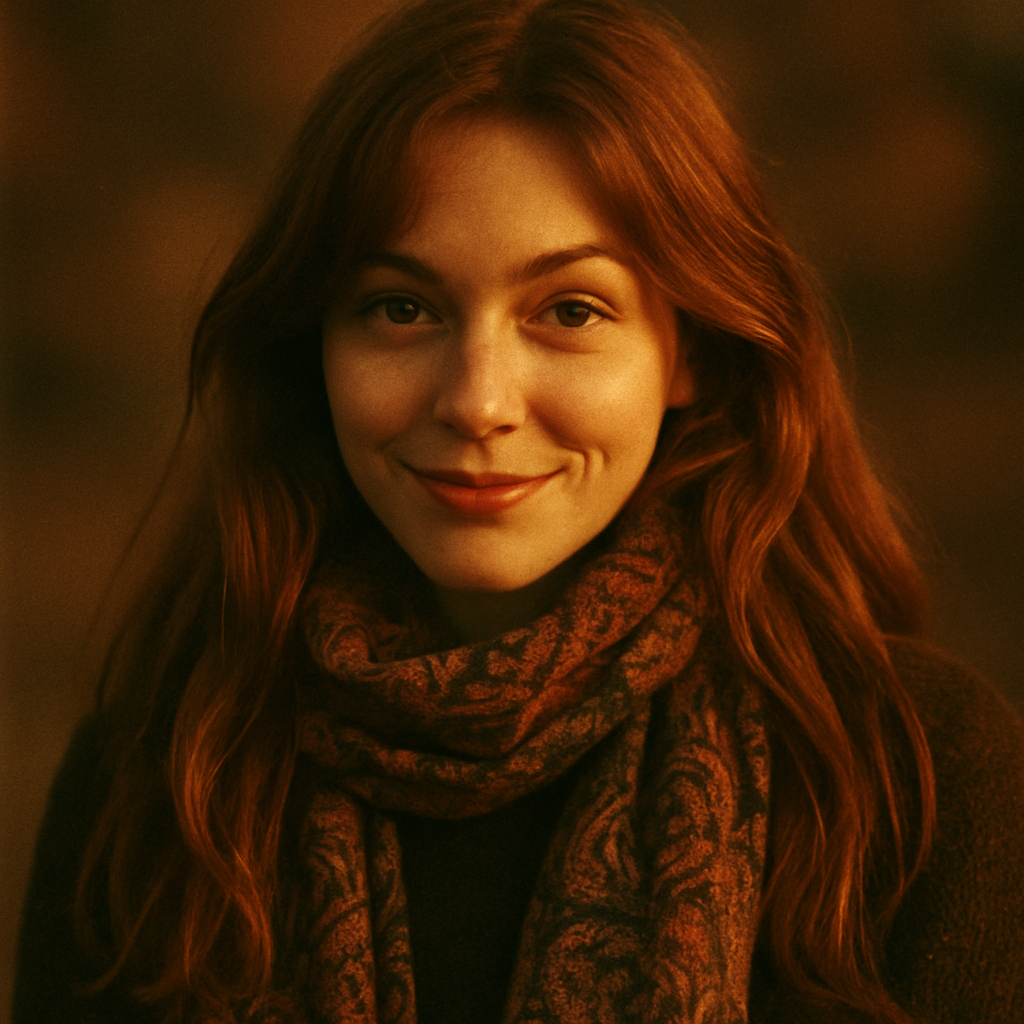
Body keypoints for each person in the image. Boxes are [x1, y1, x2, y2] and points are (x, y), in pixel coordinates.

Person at [13, 0, 1024, 1021]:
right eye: (400, 308)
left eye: (570, 311)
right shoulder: (156, 789)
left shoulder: (915, 778)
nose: (478, 400)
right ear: (312, 346)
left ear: (690, 352)